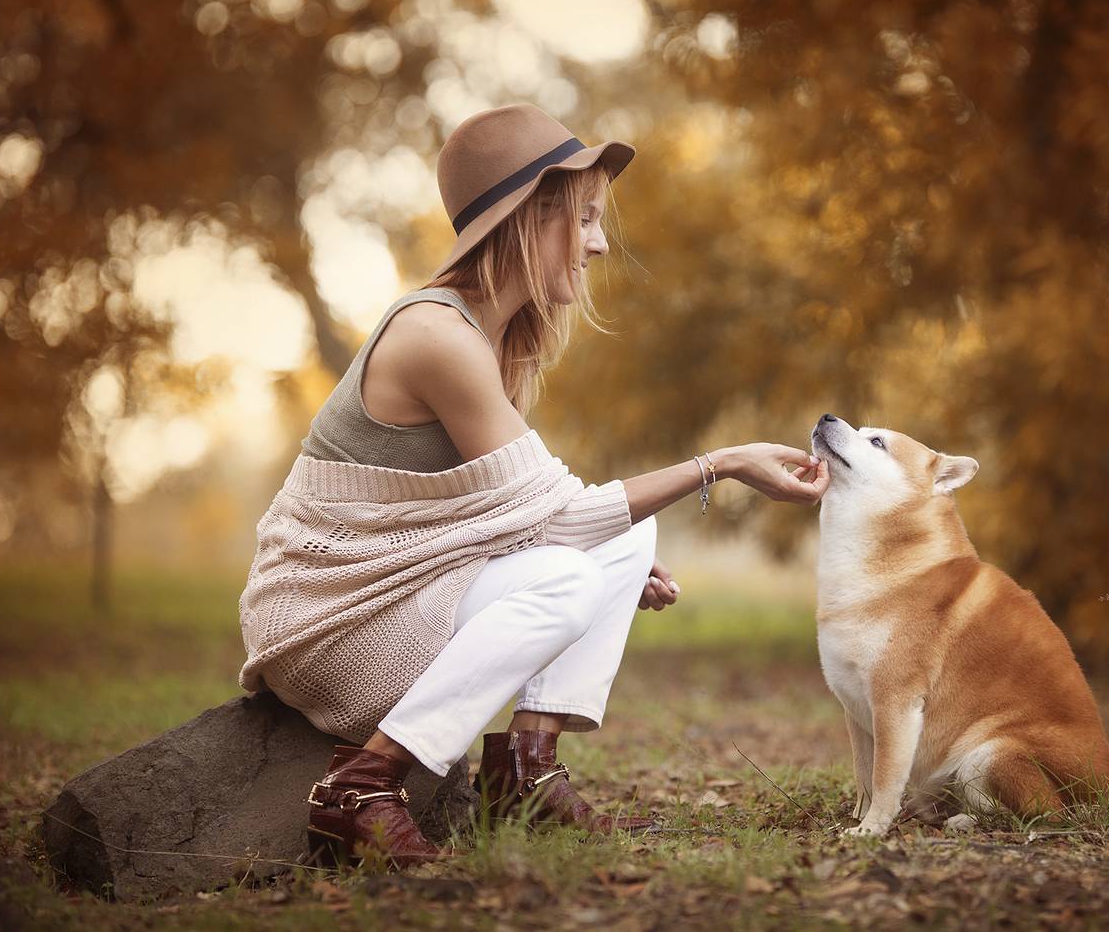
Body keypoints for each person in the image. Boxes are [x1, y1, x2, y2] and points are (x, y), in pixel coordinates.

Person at [236, 103, 831, 868]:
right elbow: (560, 523)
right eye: (583, 218)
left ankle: (524, 773)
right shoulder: (436, 337)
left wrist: (617, 562)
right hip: (328, 622)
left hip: (396, 591)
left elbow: (529, 516)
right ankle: (361, 786)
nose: (599, 243)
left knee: (618, 540)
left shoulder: (490, 338)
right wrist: (723, 463)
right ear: (529, 216)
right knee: (570, 578)